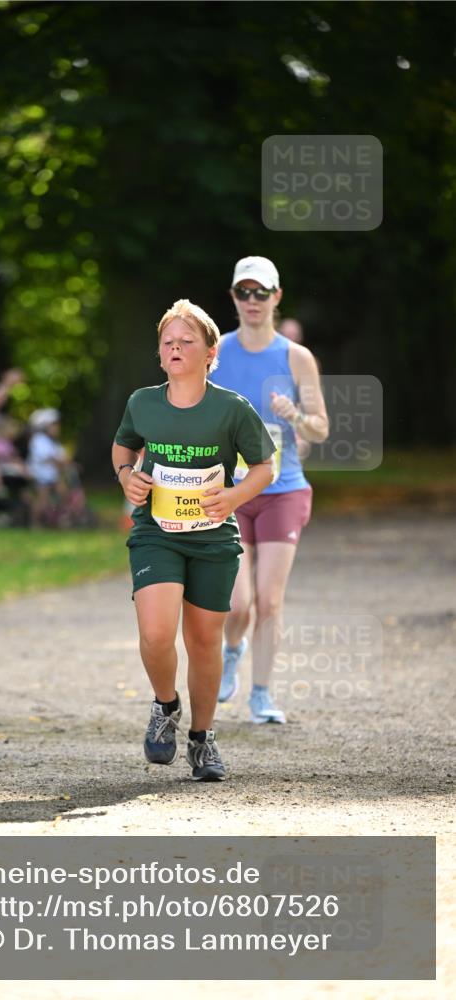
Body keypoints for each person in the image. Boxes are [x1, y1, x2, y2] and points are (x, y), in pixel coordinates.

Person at [112, 299, 275, 781]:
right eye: (169, 342)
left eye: (187, 341)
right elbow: (124, 445)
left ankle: (202, 739)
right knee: (157, 633)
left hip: (212, 540)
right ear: (160, 355)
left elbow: (265, 467)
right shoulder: (143, 402)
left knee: (204, 640)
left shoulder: (231, 409)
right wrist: (126, 476)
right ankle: (166, 706)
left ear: (210, 352)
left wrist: (233, 496)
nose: (176, 348)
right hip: (156, 534)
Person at [209, 256, 328, 722]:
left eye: (262, 293)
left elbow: (320, 428)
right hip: (229, 491)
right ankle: (232, 649)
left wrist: (295, 416)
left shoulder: (296, 358)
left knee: (269, 600)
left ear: (277, 297)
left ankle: (261, 695)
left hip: (284, 489)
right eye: (245, 292)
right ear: (234, 297)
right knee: (237, 603)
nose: (253, 301)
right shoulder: (214, 351)